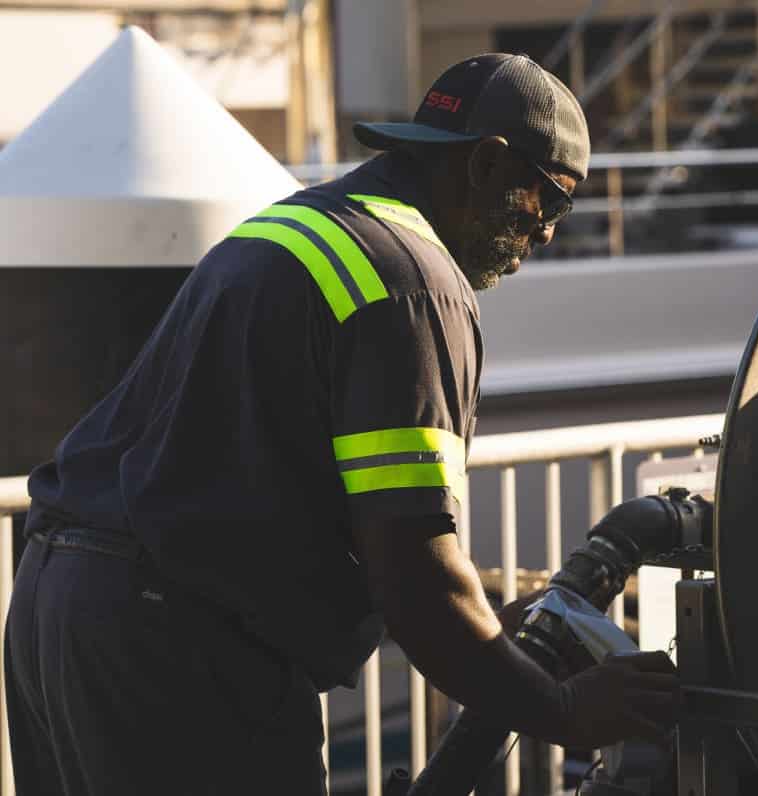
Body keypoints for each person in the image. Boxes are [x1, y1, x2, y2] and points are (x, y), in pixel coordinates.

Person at [5, 53, 678, 795]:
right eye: (548, 201)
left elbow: (258, 493)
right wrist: (562, 707)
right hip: (180, 648)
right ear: (488, 166)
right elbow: (415, 564)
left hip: (58, 605)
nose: (546, 234)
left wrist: (487, 634)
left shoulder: (295, 225)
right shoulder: (414, 285)